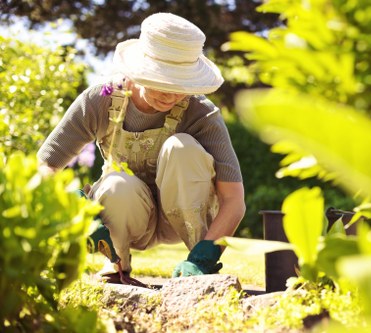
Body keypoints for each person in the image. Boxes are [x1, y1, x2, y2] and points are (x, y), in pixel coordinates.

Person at [37, 12, 246, 284]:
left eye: (180, 84)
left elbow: (233, 200)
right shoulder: (100, 101)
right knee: (116, 185)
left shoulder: (201, 114)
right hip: (124, 215)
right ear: (139, 70)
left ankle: (196, 270)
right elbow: (45, 167)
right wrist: (71, 203)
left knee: (181, 147)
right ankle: (117, 267)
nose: (170, 94)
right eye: (161, 80)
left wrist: (208, 253)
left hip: (183, 217)